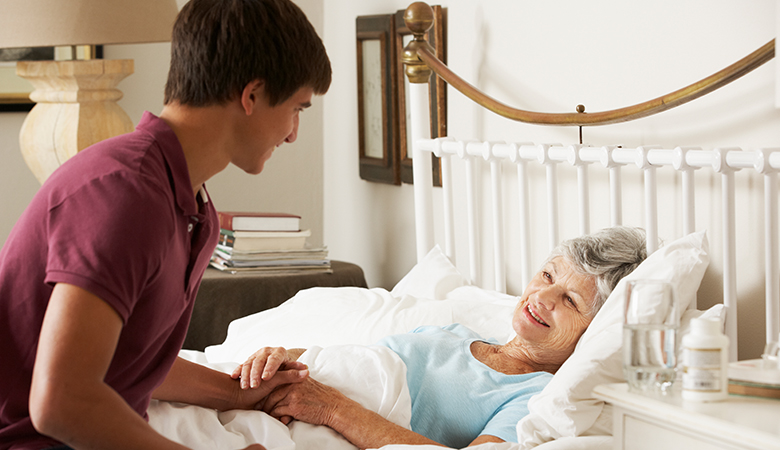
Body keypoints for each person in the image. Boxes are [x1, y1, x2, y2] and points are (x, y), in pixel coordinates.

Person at [0, 0, 331, 449]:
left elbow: (127, 360)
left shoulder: (194, 210)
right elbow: (62, 401)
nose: (293, 133)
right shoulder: (125, 194)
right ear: (251, 95)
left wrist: (236, 393)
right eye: (298, 108)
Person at [234, 226, 647, 449]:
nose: (541, 298)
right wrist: (281, 356)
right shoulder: (451, 332)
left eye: (570, 300)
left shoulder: (534, 398)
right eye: (547, 275)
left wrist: (331, 410)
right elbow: (356, 365)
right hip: (284, 393)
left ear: (596, 331)